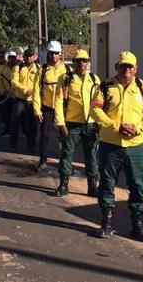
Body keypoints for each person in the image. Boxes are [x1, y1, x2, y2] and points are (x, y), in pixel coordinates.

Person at [91, 51, 143, 242]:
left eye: (130, 66)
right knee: (107, 182)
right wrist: (115, 126)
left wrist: (138, 128)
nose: (126, 69)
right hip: (110, 144)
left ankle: (137, 224)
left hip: (136, 145)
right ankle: (106, 221)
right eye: (123, 66)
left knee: (138, 184)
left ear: (136, 68)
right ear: (117, 67)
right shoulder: (105, 86)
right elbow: (95, 110)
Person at [53, 49, 100, 197]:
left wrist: (100, 123)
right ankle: (63, 184)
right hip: (71, 124)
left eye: (84, 61)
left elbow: (99, 103)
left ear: (88, 63)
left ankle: (92, 185)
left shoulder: (94, 79)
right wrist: (60, 123)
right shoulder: (65, 78)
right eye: (78, 60)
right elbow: (59, 101)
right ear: (73, 62)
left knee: (91, 155)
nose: (81, 63)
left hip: (90, 124)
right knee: (66, 154)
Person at [34, 40, 70, 171]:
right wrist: (37, 110)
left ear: (60, 54)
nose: (53, 56)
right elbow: (37, 91)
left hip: (63, 107)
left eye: (56, 53)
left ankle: (64, 161)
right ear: (48, 54)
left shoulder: (66, 69)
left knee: (64, 135)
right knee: (45, 135)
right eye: (51, 53)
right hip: (47, 106)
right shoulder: (42, 70)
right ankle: (43, 160)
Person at [10, 48, 40, 152]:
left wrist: (33, 91)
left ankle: (31, 144)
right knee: (15, 121)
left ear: (34, 57)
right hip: (20, 98)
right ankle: (13, 143)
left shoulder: (38, 69)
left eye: (31, 56)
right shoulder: (18, 68)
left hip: (33, 100)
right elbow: (14, 82)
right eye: (27, 56)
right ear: (23, 57)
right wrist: (25, 90)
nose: (28, 58)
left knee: (33, 123)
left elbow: (41, 84)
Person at [0, 51, 17, 137]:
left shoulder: (19, 67)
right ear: (7, 58)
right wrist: (3, 91)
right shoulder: (3, 68)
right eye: (10, 58)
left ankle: (24, 132)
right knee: (7, 114)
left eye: (13, 57)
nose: (12, 59)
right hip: (8, 95)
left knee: (21, 115)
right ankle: (7, 131)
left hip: (18, 95)